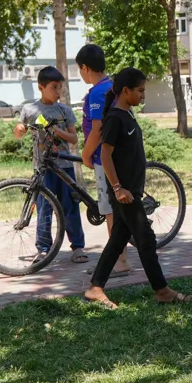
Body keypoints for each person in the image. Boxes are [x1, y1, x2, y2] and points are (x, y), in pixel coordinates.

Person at [84, 68, 189, 309]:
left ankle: (95, 288)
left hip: (131, 192)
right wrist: (118, 188)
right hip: (125, 194)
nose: (143, 95)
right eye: (140, 90)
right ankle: (162, 291)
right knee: (146, 239)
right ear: (125, 91)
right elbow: (105, 156)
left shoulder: (127, 115)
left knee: (118, 240)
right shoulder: (115, 118)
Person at [13, 67, 87, 263]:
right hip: (42, 169)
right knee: (44, 208)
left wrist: (56, 130)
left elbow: (74, 139)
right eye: (54, 87)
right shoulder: (30, 110)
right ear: (41, 87)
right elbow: (18, 132)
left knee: (70, 207)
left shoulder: (64, 110)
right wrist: (19, 128)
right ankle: (43, 249)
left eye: (60, 87)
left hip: (64, 166)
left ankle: (78, 247)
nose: (58, 91)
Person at [76, 43, 130, 275]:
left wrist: (85, 154)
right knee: (115, 210)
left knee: (110, 212)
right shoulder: (111, 87)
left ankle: (120, 261)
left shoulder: (99, 92)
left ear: (85, 68)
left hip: (105, 159)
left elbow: (98, 130)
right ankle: (118, 258)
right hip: (118, 156)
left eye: (79, 69)